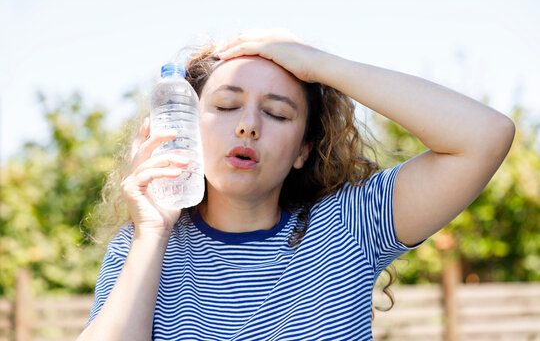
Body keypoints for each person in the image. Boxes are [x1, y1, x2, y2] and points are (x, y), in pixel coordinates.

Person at [77, 29, 515, 341]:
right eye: (227, 106)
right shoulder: (141, 248)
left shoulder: (352, 224)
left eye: (278, 114)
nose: (248, 126)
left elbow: (484, 137)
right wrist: (151, 234)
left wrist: (322, 66)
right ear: (187, 125)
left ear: (304, 149)